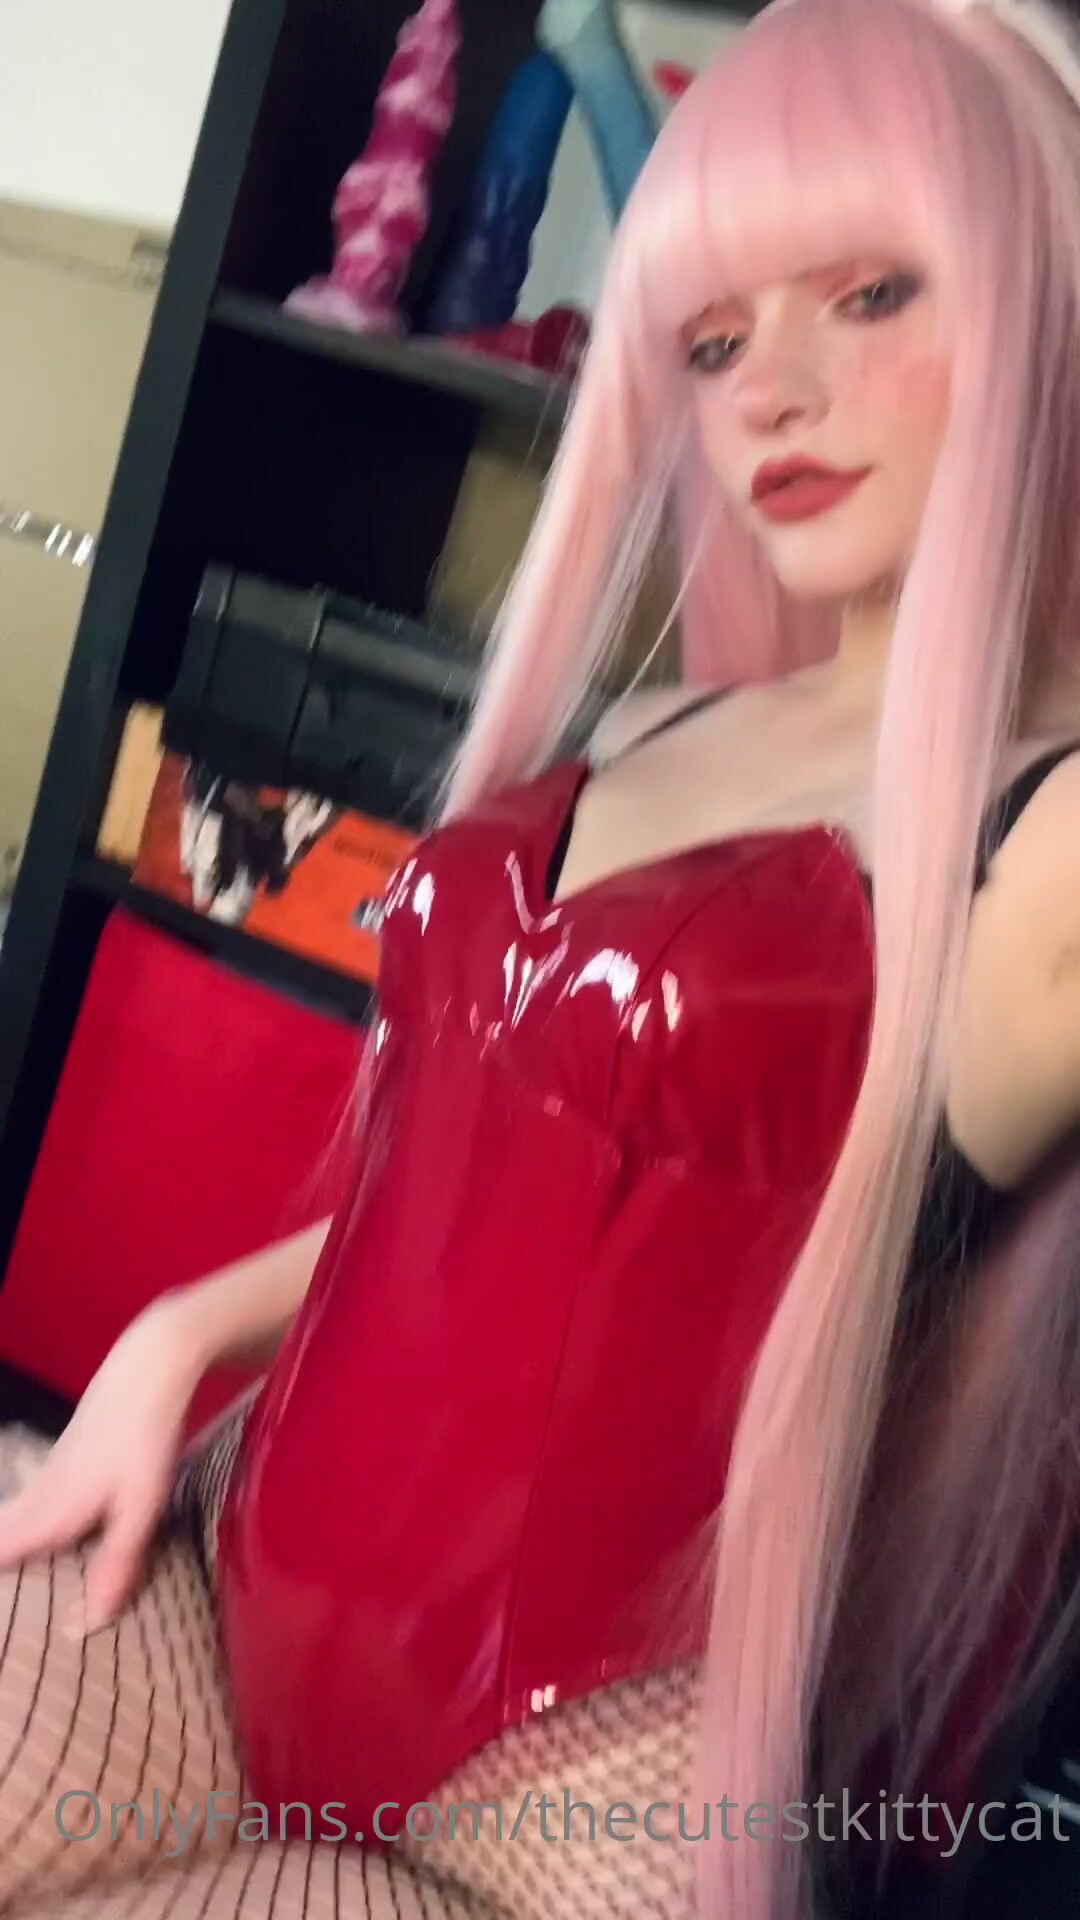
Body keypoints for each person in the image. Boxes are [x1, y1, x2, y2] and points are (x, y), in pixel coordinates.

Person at [3, 0, 1080, 1914]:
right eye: (715, 341)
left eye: (873, 293)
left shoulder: (1047, 838)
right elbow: (472, 1184)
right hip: (244, 1563)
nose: (771, 394)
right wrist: (179, 1330)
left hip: (592, 1772)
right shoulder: (660, 725)